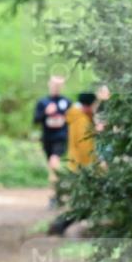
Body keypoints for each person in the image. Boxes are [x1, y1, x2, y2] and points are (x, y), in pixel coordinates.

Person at [48, 92, 97, 236]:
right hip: (83, 168)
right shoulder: (82, 120)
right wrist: (93, 166)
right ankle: (60, 226)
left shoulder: (77, 117)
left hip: (77, 166)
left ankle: (60, 226)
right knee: (85, 203)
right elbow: (85, 147)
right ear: (88, 106)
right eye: (94, 106)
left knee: (84, 203)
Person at [32, 75, 71, 207]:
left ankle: (55, 195)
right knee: (51, 166)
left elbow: (73, 120)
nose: (56, 87)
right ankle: (57, 193)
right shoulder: (43, 102)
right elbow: (36, 120)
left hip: (61, 138)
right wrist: (46, 113)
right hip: (47, 138)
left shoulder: (66, 102)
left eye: (59, 85)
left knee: (54, 164)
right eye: (54, 85)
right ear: (49, 85)